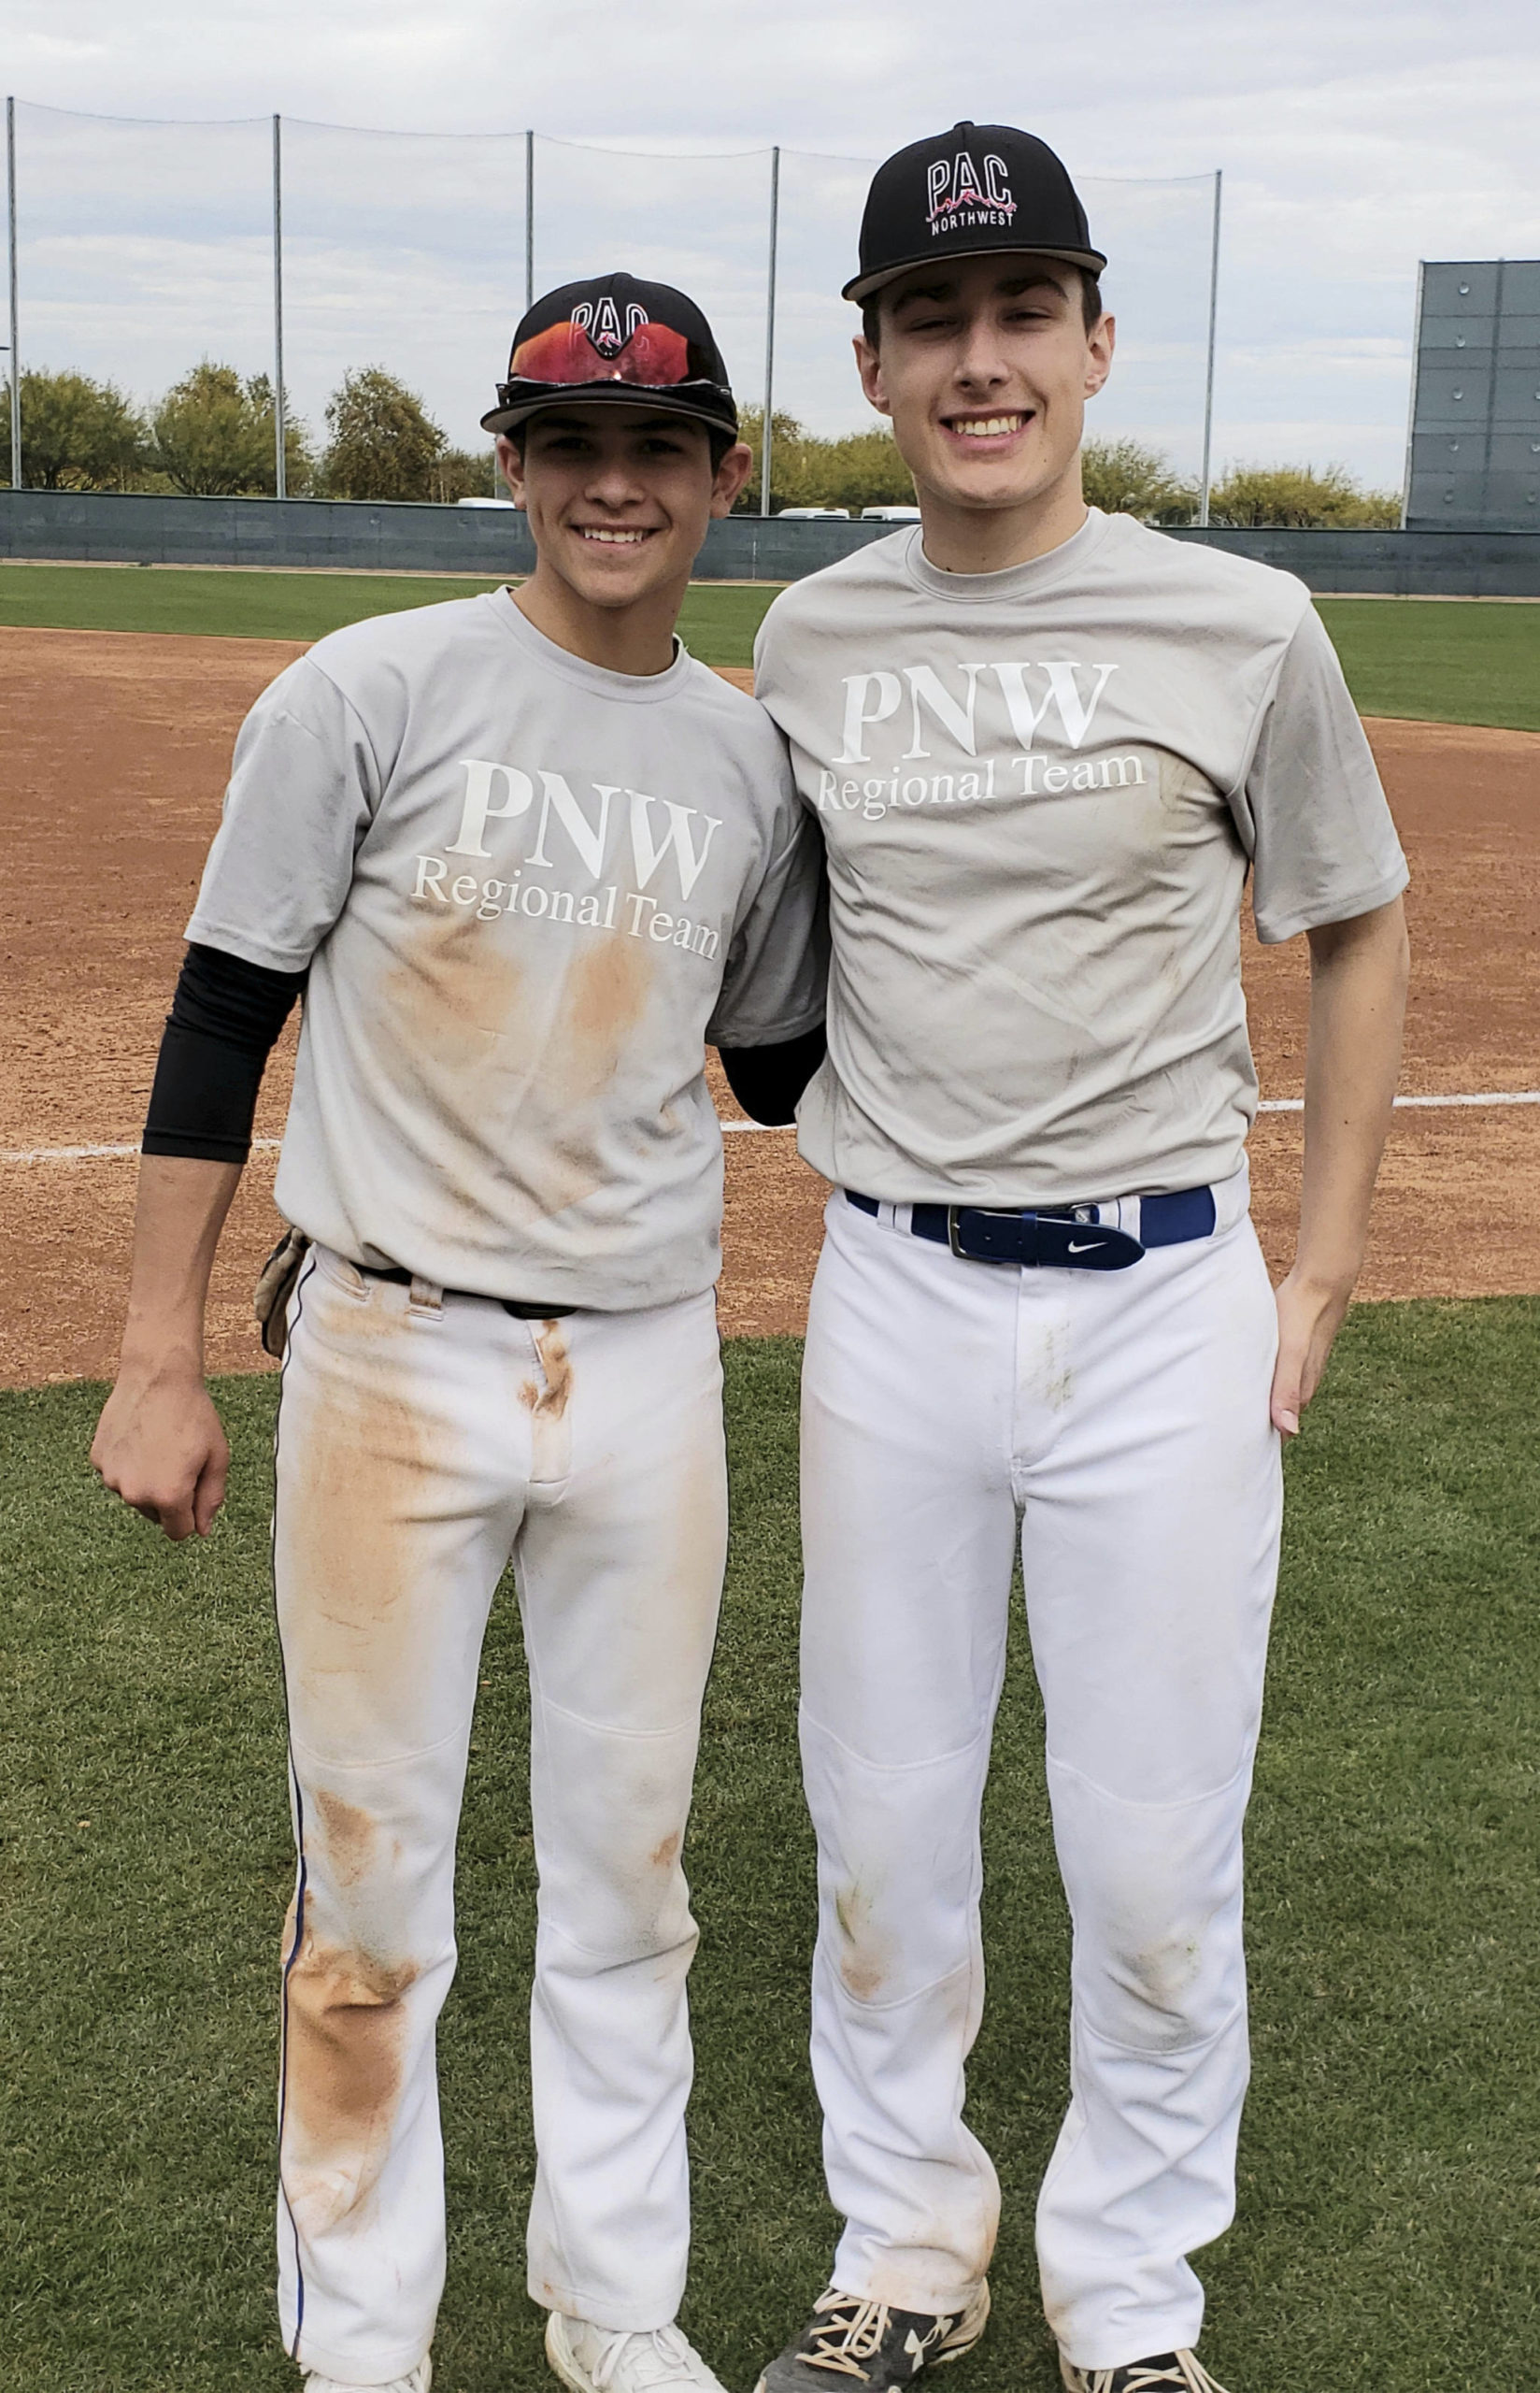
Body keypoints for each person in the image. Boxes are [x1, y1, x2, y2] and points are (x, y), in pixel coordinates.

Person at [90, 270, 826, 2393]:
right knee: (366, 1885)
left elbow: (782, 1070)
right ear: (510, 464)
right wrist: (158, 1347)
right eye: (570, 444)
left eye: (658, 447)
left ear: (719, 479)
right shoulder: (366, 689)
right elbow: (223, 1008)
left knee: (632, 1873)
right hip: (392, 1354)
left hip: (646, 1369)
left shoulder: (745, 758)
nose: (614, 482)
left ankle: (615, 2306)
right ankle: (363, 2343)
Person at [749, 124, 1409, 2393]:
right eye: (928, 318)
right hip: (897, 1285)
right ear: (869, 361)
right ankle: (906, 2246)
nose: (977, 357)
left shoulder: (1242, 620)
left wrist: (1313, 1257)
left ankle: (1127, 2300)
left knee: (1146, 1846)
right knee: (883, 1813)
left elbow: (1353, 912)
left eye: (1019, 308)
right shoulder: (810, 629)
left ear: (1093, 341)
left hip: (1157, 1300)